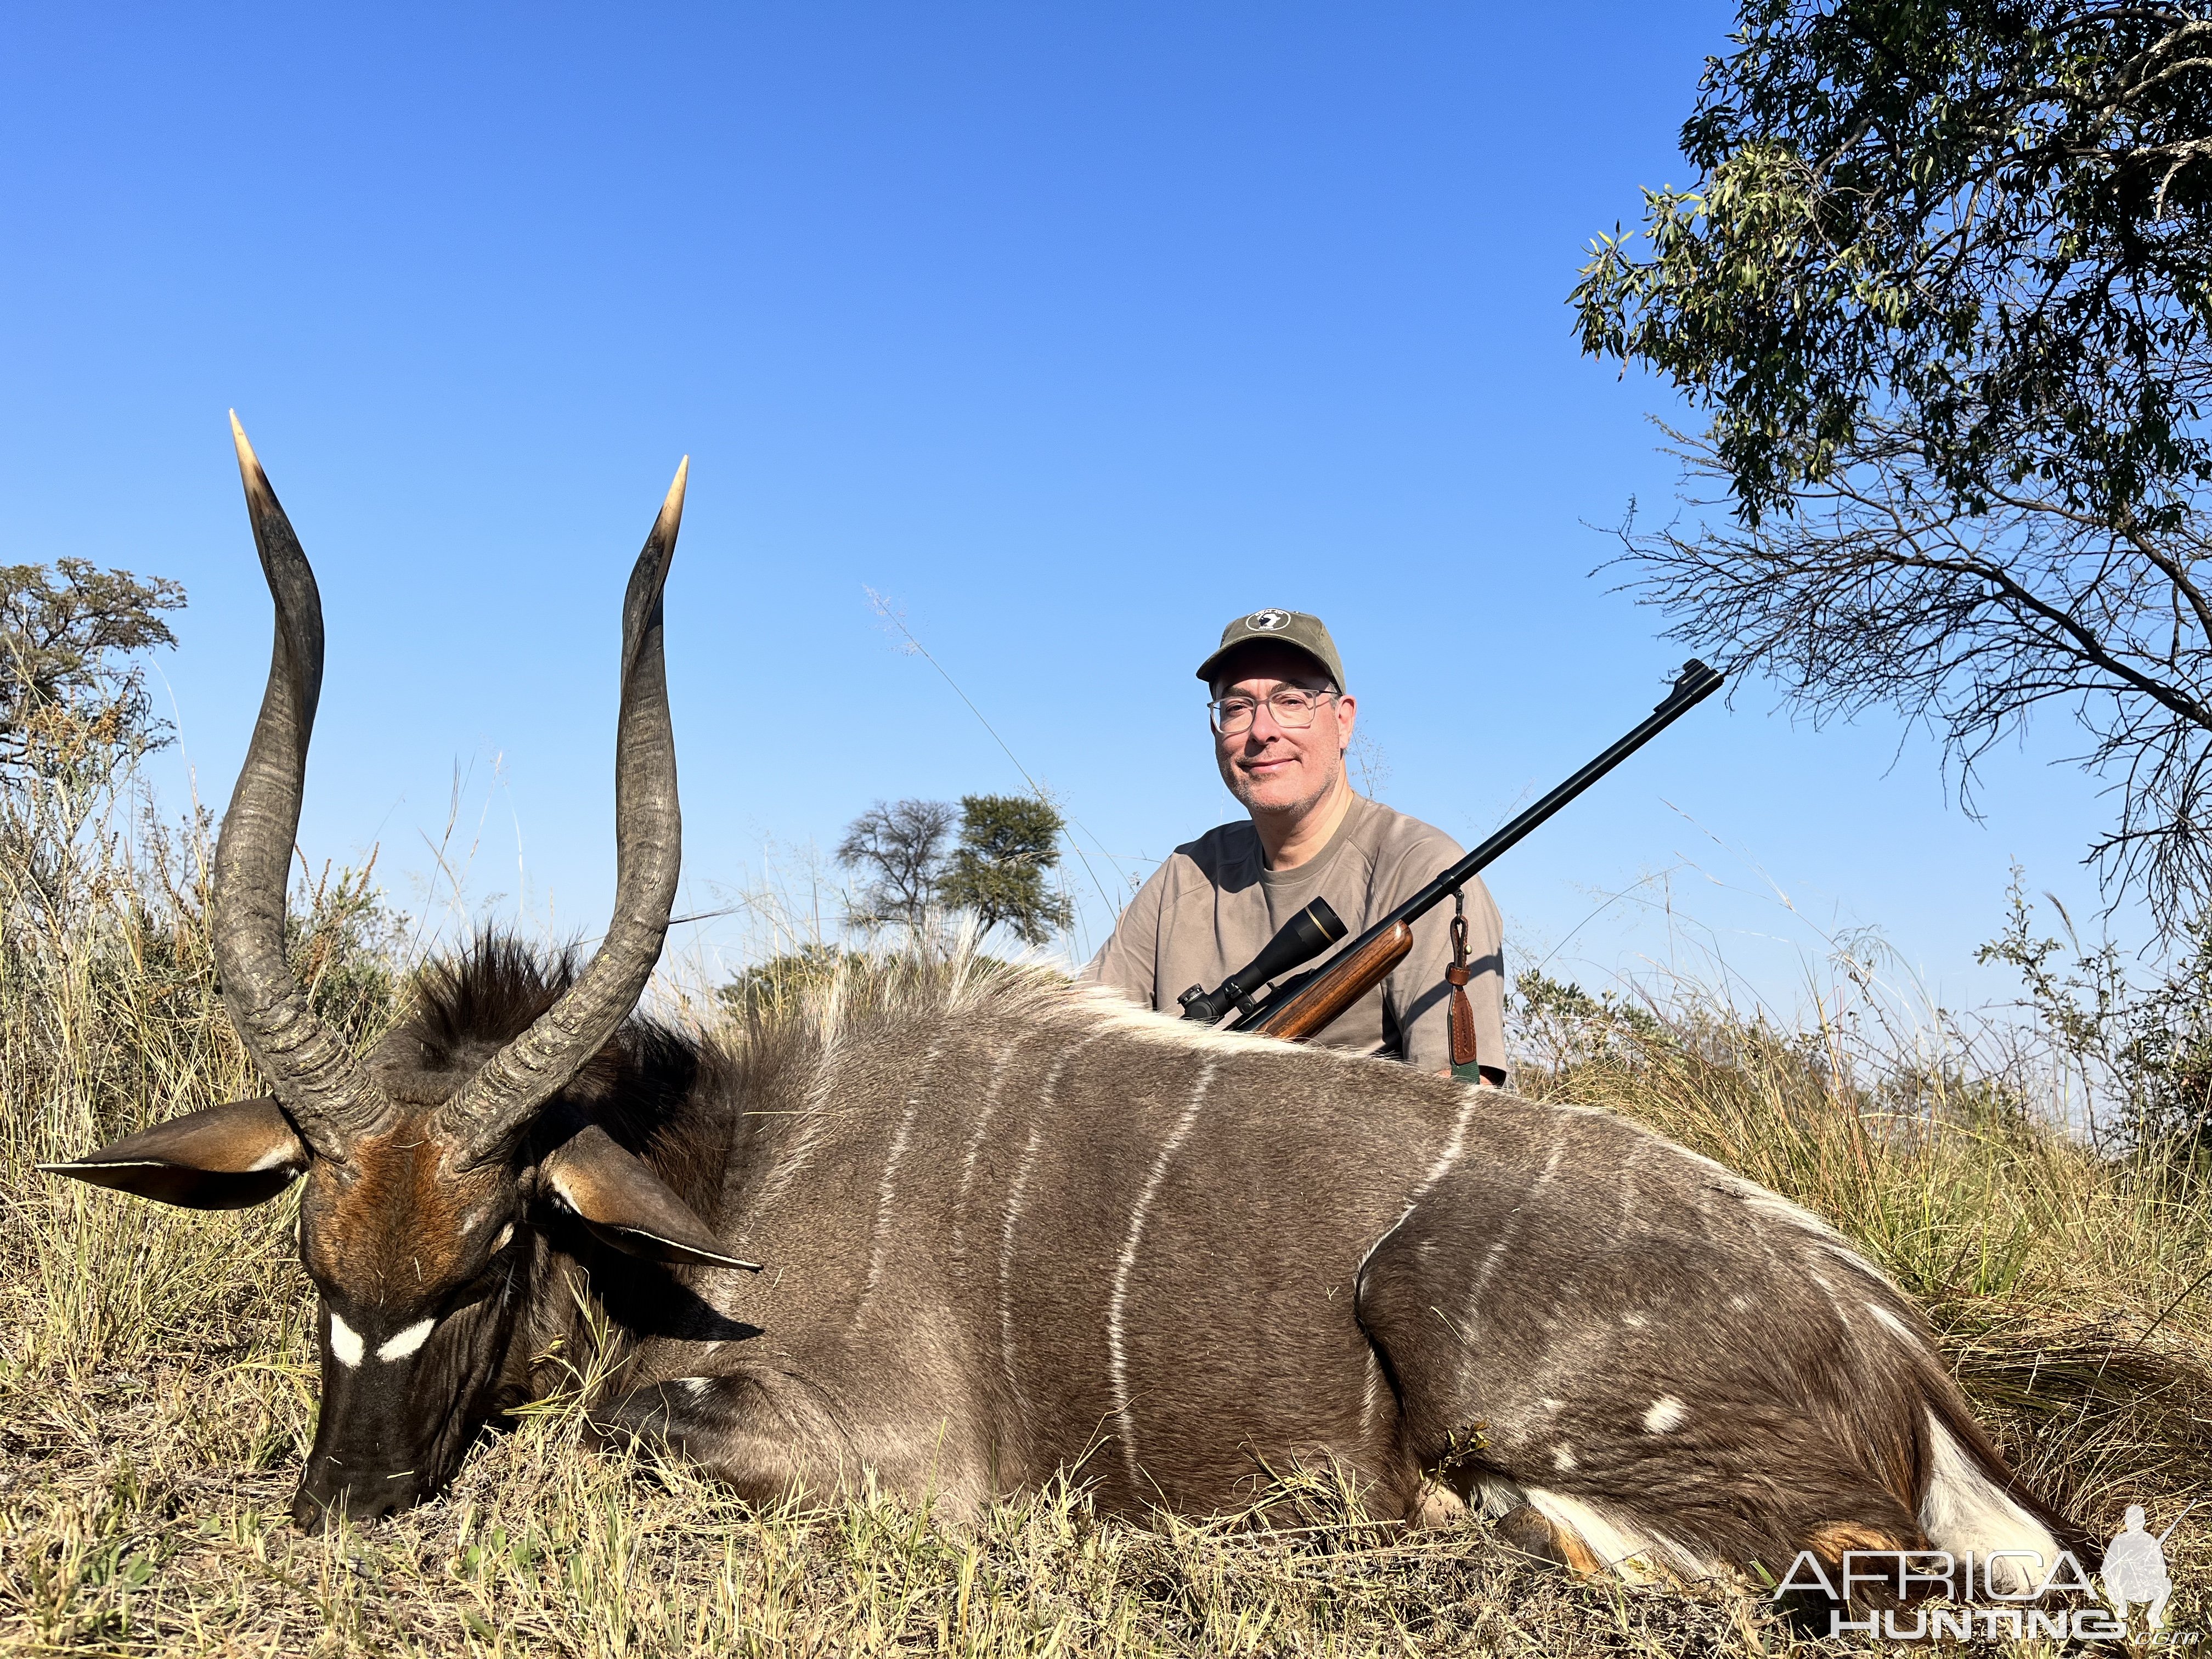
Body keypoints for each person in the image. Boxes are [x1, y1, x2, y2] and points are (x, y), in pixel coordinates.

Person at [1084, 608, 1506, 1082]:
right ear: (1216, 731)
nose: (1262, 731)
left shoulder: (1421, 870)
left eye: (1291, 701)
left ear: (1343, 721)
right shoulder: (1183, 876)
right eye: (1237, 707)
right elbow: (1079, 1050)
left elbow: (1462, 1109)